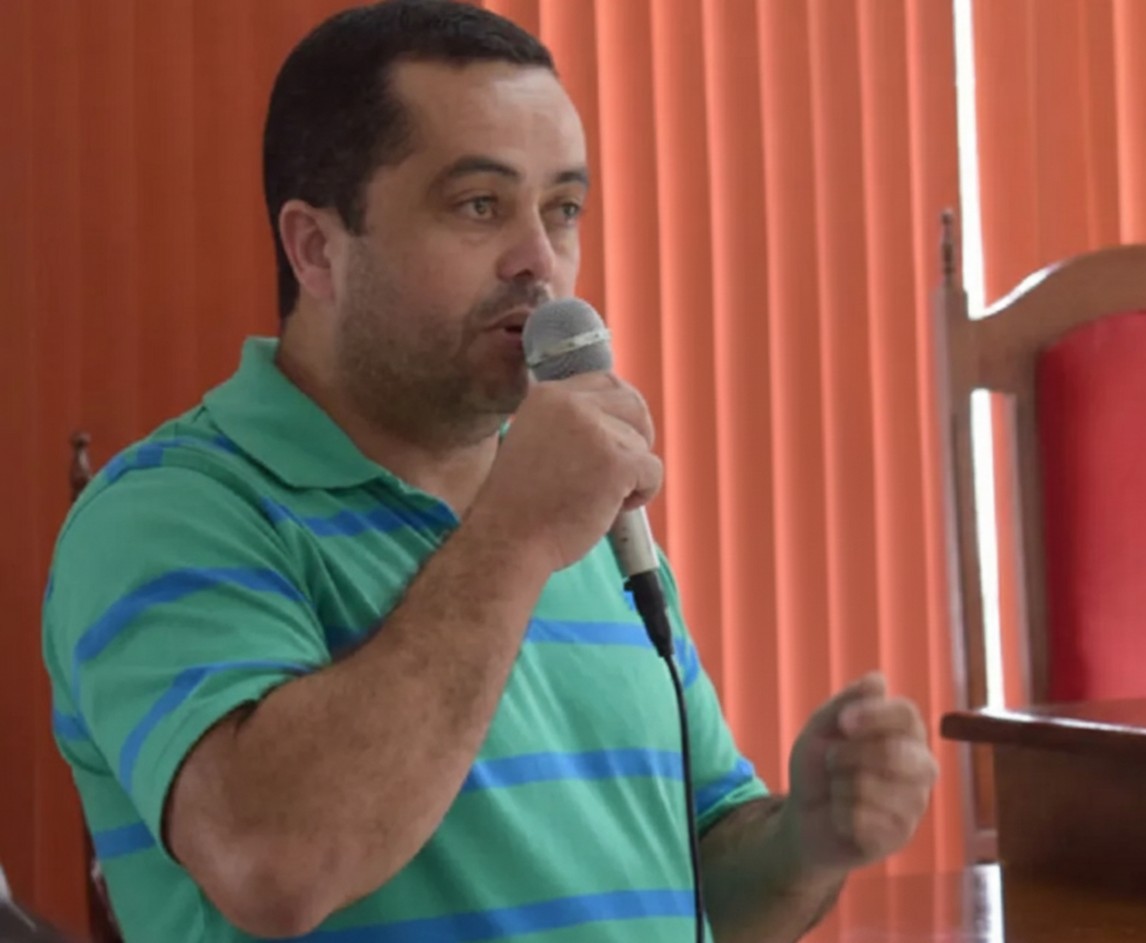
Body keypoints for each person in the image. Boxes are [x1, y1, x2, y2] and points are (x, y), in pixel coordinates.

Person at [42, 2, 938, 940]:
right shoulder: (163, 514)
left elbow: (691, 888)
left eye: (563, 209)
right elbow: (275, 862)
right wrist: (516, 536)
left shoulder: (583, 514)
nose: (540, 261)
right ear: (316, 249)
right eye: (479, 205)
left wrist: (807, 839)